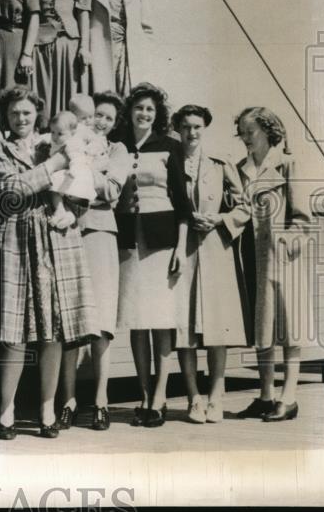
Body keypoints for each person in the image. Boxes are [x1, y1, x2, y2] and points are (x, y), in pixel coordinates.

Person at [0, 87, 98, 440]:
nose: (21, 119)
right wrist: (53, 165)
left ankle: (47, 409)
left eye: (27, 113)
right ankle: (7, 409)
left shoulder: (56, 139)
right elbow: (11, 191)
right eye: (15, 113)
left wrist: (75, 214)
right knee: (15, 331)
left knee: (52, 329)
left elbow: (82, 183)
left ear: (37, 114)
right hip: (17, 239)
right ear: (6, 116)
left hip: (54, 237)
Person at [110, 82, 190, 428]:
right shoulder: (118, 146)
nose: (144, 114)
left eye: (150, 110)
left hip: (162, 242)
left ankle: (160, 397)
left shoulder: (169, 146)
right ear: (129, 112)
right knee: (136, 321)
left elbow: (184, 203)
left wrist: (181, 249)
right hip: (127, 240)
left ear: (157, 116)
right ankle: (143, 395)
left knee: (160, 320)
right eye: (139, 108)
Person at [230, 107, 313, 423]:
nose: (245, 138)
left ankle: (288, 398)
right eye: (241, 132)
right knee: (262, 329)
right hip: (251, 256)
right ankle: (265, 396)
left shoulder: (288, 163)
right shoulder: (240, 169)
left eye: (249, 131)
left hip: (282, 259)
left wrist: (285, 243)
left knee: (290, 328)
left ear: (267, 130)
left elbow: (303, 218)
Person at [171, 105, 250, 424]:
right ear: (178, 128)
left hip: (216, 248)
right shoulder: (170, 161)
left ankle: (216, 398)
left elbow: (244, 206)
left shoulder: (220, 163)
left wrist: (220, 219)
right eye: (186, 126)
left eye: (198, 127)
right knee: (184, 329)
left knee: (217, 326)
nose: (192, 133)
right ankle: (194, 399)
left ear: (205, 129)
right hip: (182, 249)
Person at [57, 92, 131, 431]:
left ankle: (101, 399)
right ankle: (67, 399)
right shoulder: (71, 140)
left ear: (115, 125)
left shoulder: (117, 151)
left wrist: (82, 170)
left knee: (101, 320)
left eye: (107, 118)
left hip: (100, 233)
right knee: (69, 320)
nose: (99, 122)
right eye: (96, 115)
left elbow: (112, 190)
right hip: (68, 230)